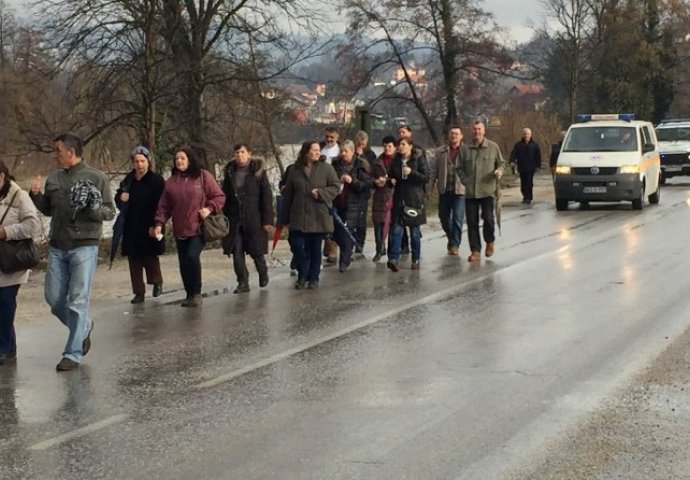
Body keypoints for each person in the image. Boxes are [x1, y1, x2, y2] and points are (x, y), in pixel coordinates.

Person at [29, 133, 115, 371]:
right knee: (54, 299)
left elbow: (110, 212)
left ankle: (72, 353)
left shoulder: (97, 177)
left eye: (58, 150)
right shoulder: (54, 178)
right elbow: (48, 209)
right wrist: (36, 196)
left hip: (84, 245)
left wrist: (93, 207)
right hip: (58, 245)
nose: (55, 154)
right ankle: (84, 328)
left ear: (71, 151)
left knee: (78, 300)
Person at [152, 145, 225, 307]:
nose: (179, 161)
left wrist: (209, 208)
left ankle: (197, 293)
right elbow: (164, 206)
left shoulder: (202, 176)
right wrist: (159, 223)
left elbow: (219, 196)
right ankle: (189, 294)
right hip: (180, 229)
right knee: (184, 262)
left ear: (190, 160)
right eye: (177, 158)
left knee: (192, 257)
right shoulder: (170, 183)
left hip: (198, 227)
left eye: (183, 158)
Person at [281, 140, 340, 289]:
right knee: (297, 246)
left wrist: (321, 193)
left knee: (314, 249)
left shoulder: (326, 169)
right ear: (306, 152)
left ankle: (313, 278)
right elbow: (288, 195)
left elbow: (336, 187)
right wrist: (283, 218)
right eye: (314, 150)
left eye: (318, 150)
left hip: (318, 215)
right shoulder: (294, 170)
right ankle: (302, 274)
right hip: (298, 216)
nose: (317, 152)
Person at [0, 161, 40, 365]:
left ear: (2, 176)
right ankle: (9, 346)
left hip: (11, 260)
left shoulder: (19, 196)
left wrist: (6, 232)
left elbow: (33, 225)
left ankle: (5, 348)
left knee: (6, 303)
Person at [221, 144, 274, 294]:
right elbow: (224, 196)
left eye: (243, 152)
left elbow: (266, 197)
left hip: (254, 218)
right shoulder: (230, 172)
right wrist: (224, 217)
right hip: (235, 219)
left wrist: (268, 220)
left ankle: (263, 272)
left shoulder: (258, 172)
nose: (240, 155)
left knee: (256, 251)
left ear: (249, 154)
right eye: (237, 152)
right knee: (237, 253)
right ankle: (242, 282)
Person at [115, 146, 165, 304]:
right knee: (134, 260)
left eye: (142, 161)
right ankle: (138, 292)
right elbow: (119, 198)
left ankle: (156, 281)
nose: (140, 164)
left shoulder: (156, 180)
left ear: (148, 161)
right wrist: (120, 198)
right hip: (131, 225)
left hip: (150, 222)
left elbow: (162, 204)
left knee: (150, 257)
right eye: (136, 161)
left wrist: (157, 223)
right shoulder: (128, 180)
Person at [457, 120, 505, 263]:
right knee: (472, 223)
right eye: (474, 129)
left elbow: (501, 162)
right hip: (471, 192)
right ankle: (475, 251)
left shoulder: (493, 147)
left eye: (479, 129)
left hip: (488, 190)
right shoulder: (465, 149)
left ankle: (489, 241)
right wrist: (465, 180)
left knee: (489, 220)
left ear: (484, 131)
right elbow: (458, 167)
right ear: (471, 132)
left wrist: (499, 171)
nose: (476, 132)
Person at [386, 137, 430, 272]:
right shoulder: (396, 160)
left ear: (410, 146)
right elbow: (390, 175)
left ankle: (415, 258)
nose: (401, 147)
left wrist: (412, 172)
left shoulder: (418, 158)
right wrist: (390, 180)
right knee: (397, 230)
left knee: (414, 232)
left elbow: (426, 177)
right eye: (399, 145)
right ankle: (394, 259)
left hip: (414, 199)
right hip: (400, 198)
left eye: (404, 144)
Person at [331, 140, 373, 272]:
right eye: (342, 151)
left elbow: (366, 185)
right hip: (337, 202)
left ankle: (344, 260)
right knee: (334, 232)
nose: (343, 154)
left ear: (353, 152)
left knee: (346, 232)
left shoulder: (361, 165)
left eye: (346, 151)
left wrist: (352, 181)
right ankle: (346, 250)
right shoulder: (335, 164)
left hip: (354, 204)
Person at [429, 125, 465, 256]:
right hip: (444, 189)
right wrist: (430, 188)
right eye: (452, 133)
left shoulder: (466, 151)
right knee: (443, 218)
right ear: (449, 136)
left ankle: (455, 244)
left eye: (456, 134)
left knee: (457, 218)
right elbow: (433, 171)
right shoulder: (440, 152)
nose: (454, 136)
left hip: (460, 190)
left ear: (461, 136)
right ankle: (452, 237)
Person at [371, 136, 397, 262]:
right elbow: (369, 178)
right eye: (385, 146)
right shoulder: (377, 162)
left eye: (390, 146)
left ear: (395, 147)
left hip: (394, 196)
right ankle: (379, 249)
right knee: (378, 224)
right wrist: (375, 181)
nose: (387, 148)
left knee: (392, 225)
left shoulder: (399, 161)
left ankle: (393, 253)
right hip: (380, 196)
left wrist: (394, 180)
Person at [353, 130, 376, 254]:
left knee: (361, 219)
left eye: (363, 143)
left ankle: (360, 243)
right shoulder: (351, 151)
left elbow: (372, 170)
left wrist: (361, 157)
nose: (360, 145)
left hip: (364, 190)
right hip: (352, 189)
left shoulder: (370, 154)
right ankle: (350, 242)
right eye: (358, 142)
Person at [319, 127, 340, 263]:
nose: (329, 139)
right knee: (321, 219)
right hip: (320, 188)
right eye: (327, 136)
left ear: (337, 137)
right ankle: (326, 244)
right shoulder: (319, 148)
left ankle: (333, 247)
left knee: (333, 220)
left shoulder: (340, 150)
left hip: (335, 188)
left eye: (332, 137)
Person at [509, 127, 542, 205]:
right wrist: (512, 161)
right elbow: (513, 154)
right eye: (525, 134)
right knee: (523, 184)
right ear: (523, 135)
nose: (526, 135)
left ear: (530, 135)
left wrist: (538, 165)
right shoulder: (518, 145)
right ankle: (525, 197)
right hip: (522, 167)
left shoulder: (534, 145)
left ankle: (529, 198)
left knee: (529, 183)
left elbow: (538, 156)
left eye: (528, 134)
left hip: (531, 168)